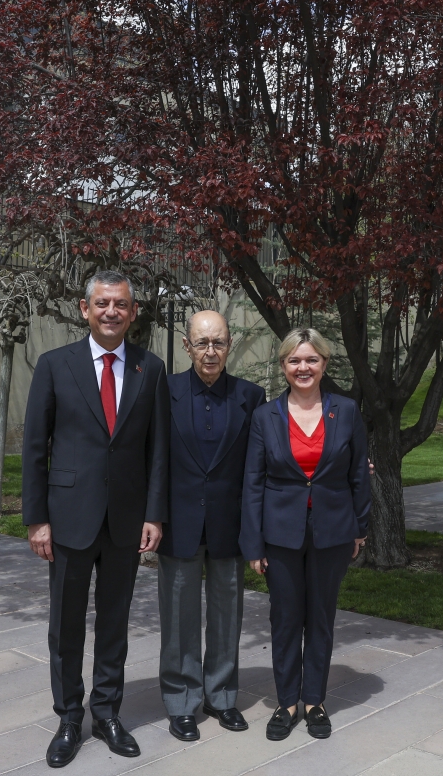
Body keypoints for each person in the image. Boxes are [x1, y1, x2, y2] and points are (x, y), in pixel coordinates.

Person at [21, 270, 170, 769]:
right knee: (65, 625)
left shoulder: (152, 368)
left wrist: (155, 514)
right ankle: (68, 717)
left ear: (133, 312)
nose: (112, 312)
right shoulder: (54, 365)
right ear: (85, 309)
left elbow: (158, 451)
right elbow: (34, 447)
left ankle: (106, 712)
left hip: (127, 520)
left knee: (114, 623)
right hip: (68, 519)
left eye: (121, 304)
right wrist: (36, 519)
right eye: (103, 303)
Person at [240, 328, 370, 742]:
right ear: (283, 366)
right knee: (285, 619)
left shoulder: (346, 411)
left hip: (332, 531)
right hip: (280, 535)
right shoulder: (265, 416)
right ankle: (287, 702)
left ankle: (314, 700)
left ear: (324, 364)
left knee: (321, 618)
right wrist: (254, 543)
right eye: (295, 361)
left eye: (311, 360)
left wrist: (360, 528)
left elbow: (358, 475)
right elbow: (253, 484)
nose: (303, 367)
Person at [157, 310, 266, 742]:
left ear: (230, 344)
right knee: (179, 617)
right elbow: (152, 462)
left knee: (227, 615)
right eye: (201, 343)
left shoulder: (251, 397)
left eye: (218, 342)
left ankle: (221, 696)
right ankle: (181, 700)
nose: (210, 351)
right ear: (186, 345)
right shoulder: (163, 393)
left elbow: (265, 461)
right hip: (178, 523)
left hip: (230, 524)